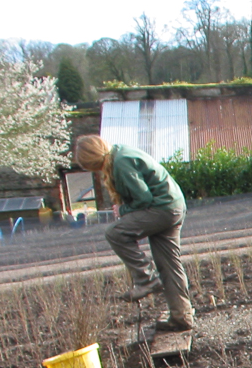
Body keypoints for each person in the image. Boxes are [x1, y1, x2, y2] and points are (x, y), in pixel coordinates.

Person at [74, 135, 194, 332]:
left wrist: (121, 211)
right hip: (172, 205)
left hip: (161, 209)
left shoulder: (120, 162)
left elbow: (143, 198)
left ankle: (146, 279)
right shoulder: (120, 152)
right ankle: (181, 317)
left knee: (115, 233)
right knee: (169, 265)